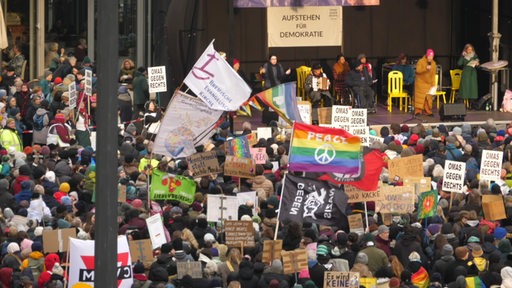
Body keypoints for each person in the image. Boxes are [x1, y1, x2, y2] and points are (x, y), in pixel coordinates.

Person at [414, 48, 436, 116]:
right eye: (429, 56)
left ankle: (428, 111)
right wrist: (425, 68)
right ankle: (418, 111)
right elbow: (417, 70)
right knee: (419, 98)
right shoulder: (421, 61)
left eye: (432, 57)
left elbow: (433, 75)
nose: (430, 58)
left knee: (428, 98)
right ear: (427, 56)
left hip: (428, 83)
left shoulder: (433, 63)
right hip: (420, 83)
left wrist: (433, 85)